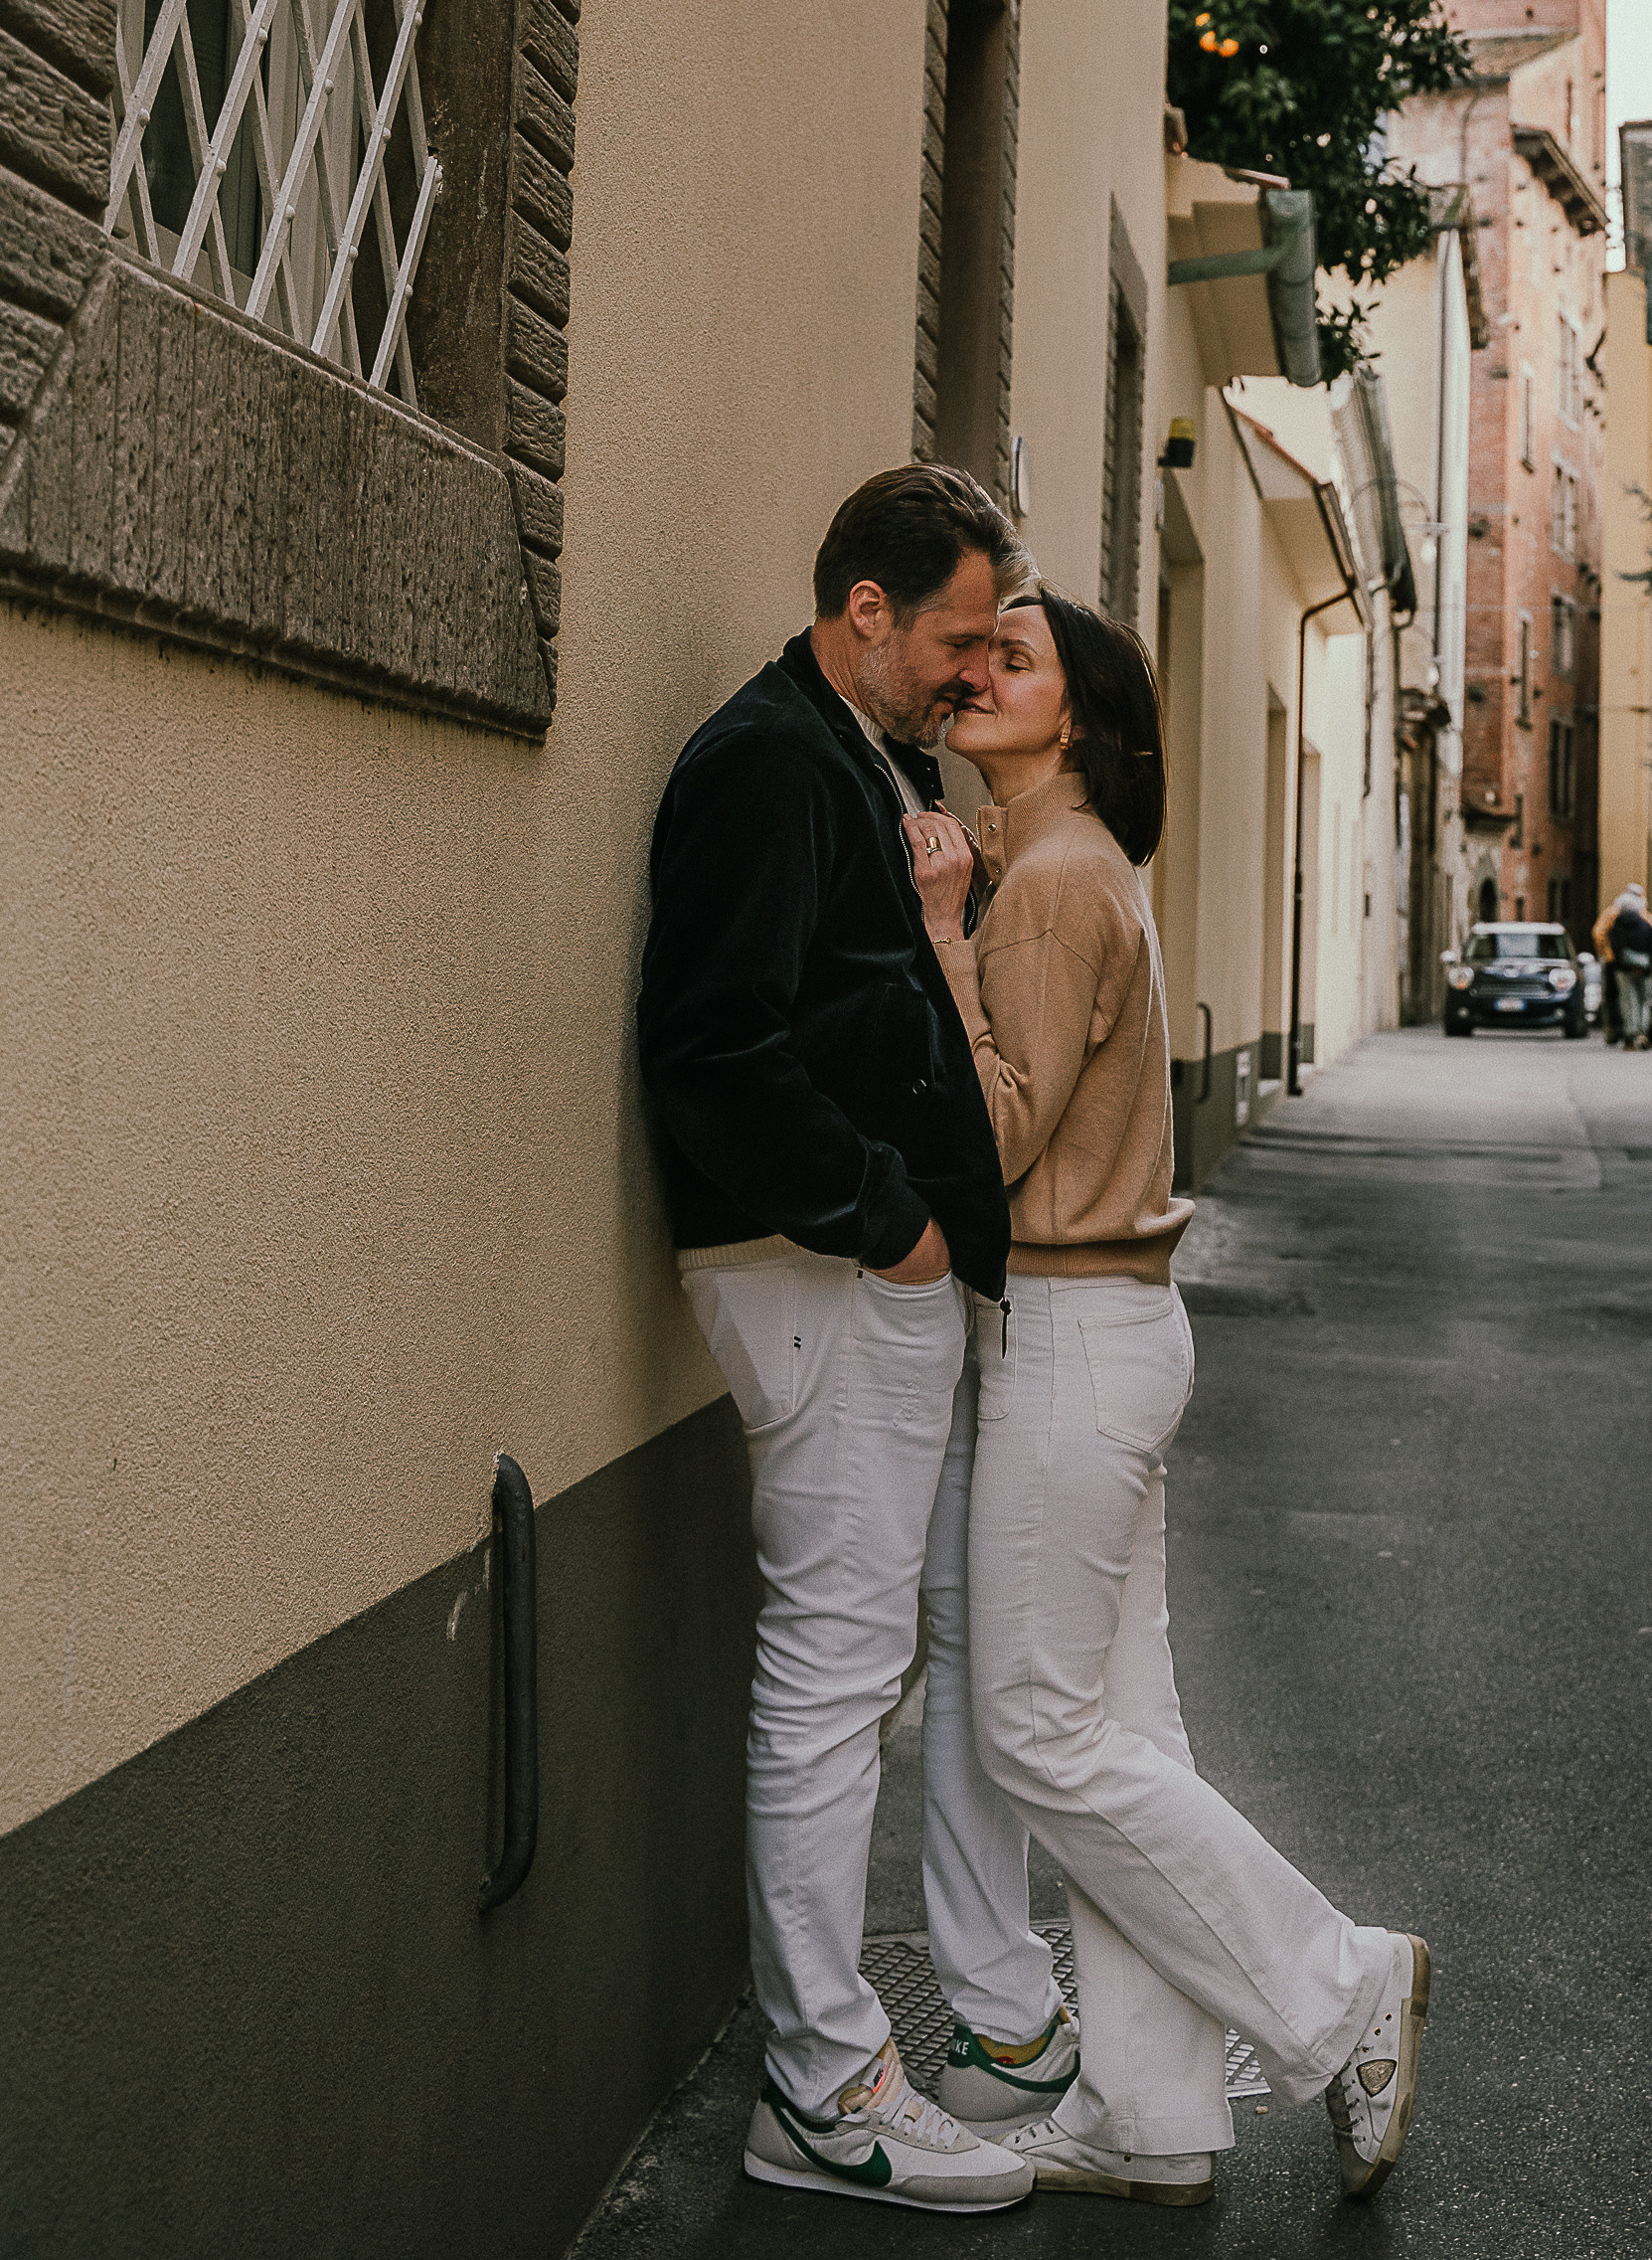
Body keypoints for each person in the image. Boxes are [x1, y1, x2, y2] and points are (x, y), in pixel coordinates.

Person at [907, 587, 1430, 2211]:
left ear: (1082, 718)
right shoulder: (1053, 870)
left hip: (1070, 1339)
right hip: (1100, 1331)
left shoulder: (1052, 885)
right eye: (973, 648)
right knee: (1119, 1731)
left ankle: (1342, 1987)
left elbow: (996, 1139)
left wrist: (938, 940)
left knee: (1036, 1732)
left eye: (1018, 655)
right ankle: (1149, 2115)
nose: (977, 669)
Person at [636, 464, 1040, 2217]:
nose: (971, 670)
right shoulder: (764, 762)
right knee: (829, 1679)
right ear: (864, 609)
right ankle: (824, 2088)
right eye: (955, 636)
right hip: (820, 1280)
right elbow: (716, 1051)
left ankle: (838, 2066)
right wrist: (893, 1225)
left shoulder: (854, 757)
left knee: (854, 1674)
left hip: (849, 1280)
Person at [1593, 882, 1652, 1049]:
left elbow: (1598, 933)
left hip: (1617, 964)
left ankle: (1619, 1032)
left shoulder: (1612, 914)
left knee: (1619, 999)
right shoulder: (1645, 916)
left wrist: (1607, 954)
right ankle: (1641, 1032)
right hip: (1643, 967)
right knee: (1643, 1000)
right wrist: (1650, 963)